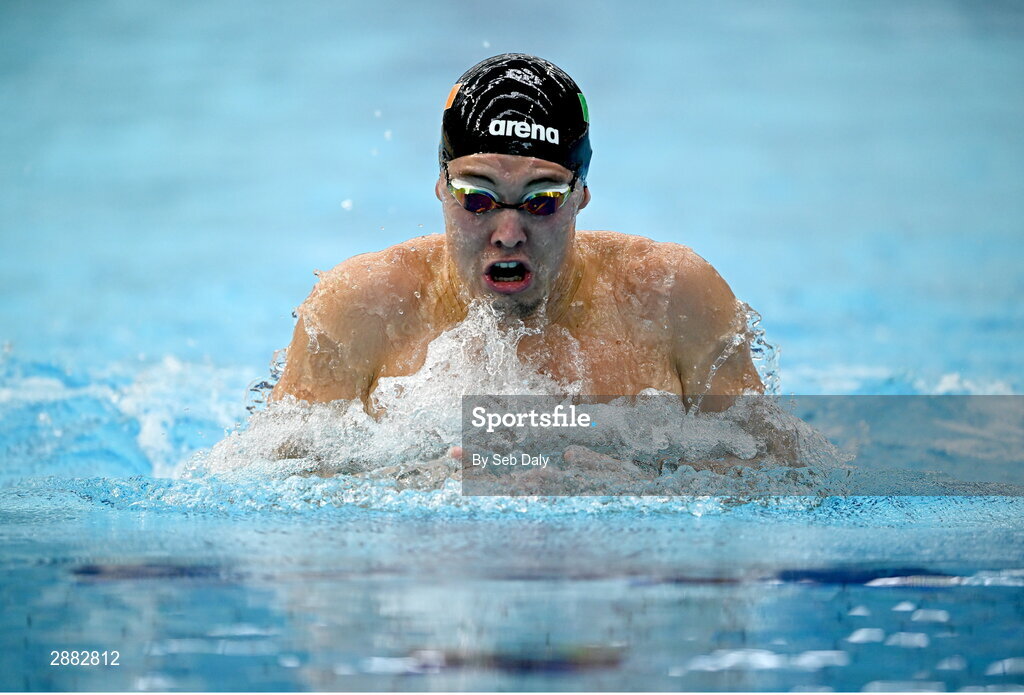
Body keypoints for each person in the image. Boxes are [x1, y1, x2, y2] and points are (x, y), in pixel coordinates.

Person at [271, 53, 763, 409]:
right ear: (441, 189)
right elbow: (276, 487)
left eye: (541, 200)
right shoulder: (360, 309)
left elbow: (770, 474)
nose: (508, 232)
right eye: (478, 198)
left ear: (581, 196)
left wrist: (612, 479)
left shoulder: (673, 299)